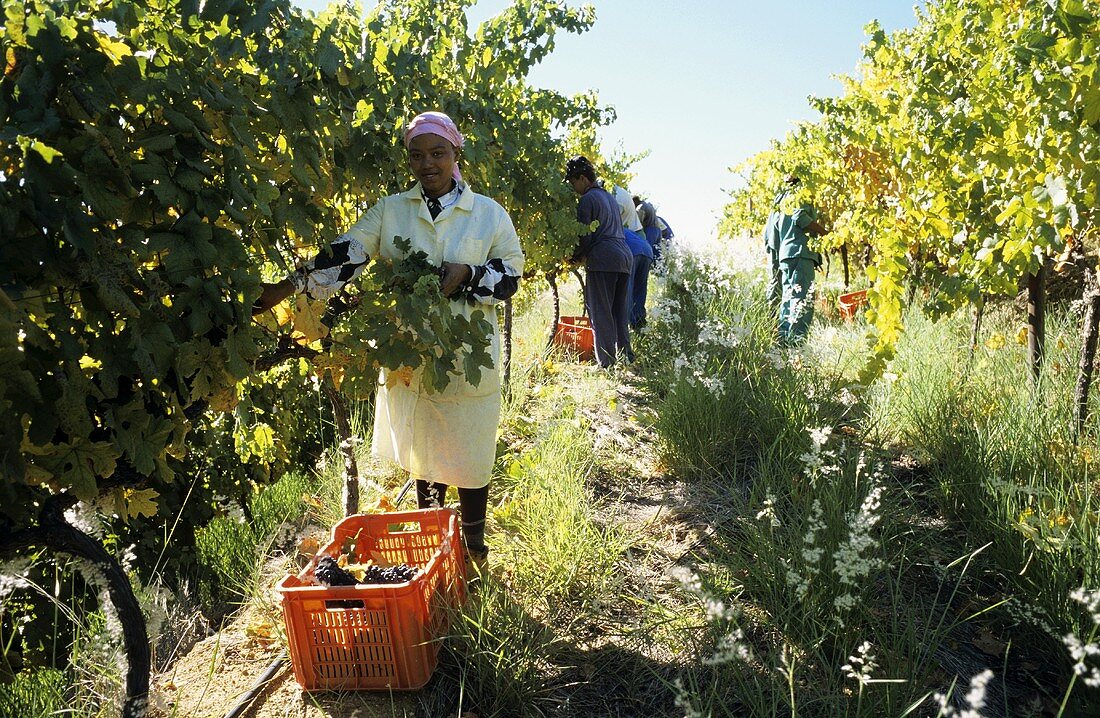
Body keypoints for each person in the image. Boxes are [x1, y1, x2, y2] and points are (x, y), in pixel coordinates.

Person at [253, 111, 524, 573]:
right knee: (425, 455)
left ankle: (475, 552)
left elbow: (511, 276)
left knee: (471, 453)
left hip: (468, 356)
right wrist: (287, 286)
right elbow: (348, 253)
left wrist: (468, 275)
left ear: (456, 154)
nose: (427, 164)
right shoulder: (392, 211)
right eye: (417, 156)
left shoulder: (488, 214)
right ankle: (435, 550)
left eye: (438, 153)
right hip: (411, 355)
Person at [563, 156, 634, 367]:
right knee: (619, 311)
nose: (573, 187)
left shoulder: (588, 199)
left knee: (600, 311)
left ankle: (607, 363)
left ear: (583, 179)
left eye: (573, 182)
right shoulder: (609, 198)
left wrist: (574, 257)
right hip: (623, 256)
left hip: (603, 257)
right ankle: (626, 356)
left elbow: (585, 235)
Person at [772, 176, 828, 343]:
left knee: (788, 301)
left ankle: (783, 344)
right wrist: (826, 234)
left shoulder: (782, 197)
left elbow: (775, 227)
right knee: (802, 301)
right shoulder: (801, 192)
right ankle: (796, 346)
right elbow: (800, 218)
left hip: (787, 254)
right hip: (800, 253)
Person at [623, 227, 653, 329]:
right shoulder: (624, 228)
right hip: (647, 251)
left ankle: (626, 326)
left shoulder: (608, 229)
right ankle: (639, 324)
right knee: (640, 289)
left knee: (628, 289)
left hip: (632, 251)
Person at [633, 195, 663, 262]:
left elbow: (638, 224)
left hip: (650, 230)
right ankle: (660, 271)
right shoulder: (649, 205)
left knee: (647, 252)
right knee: (657, 256)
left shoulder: (640, 207)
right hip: (658, 230)